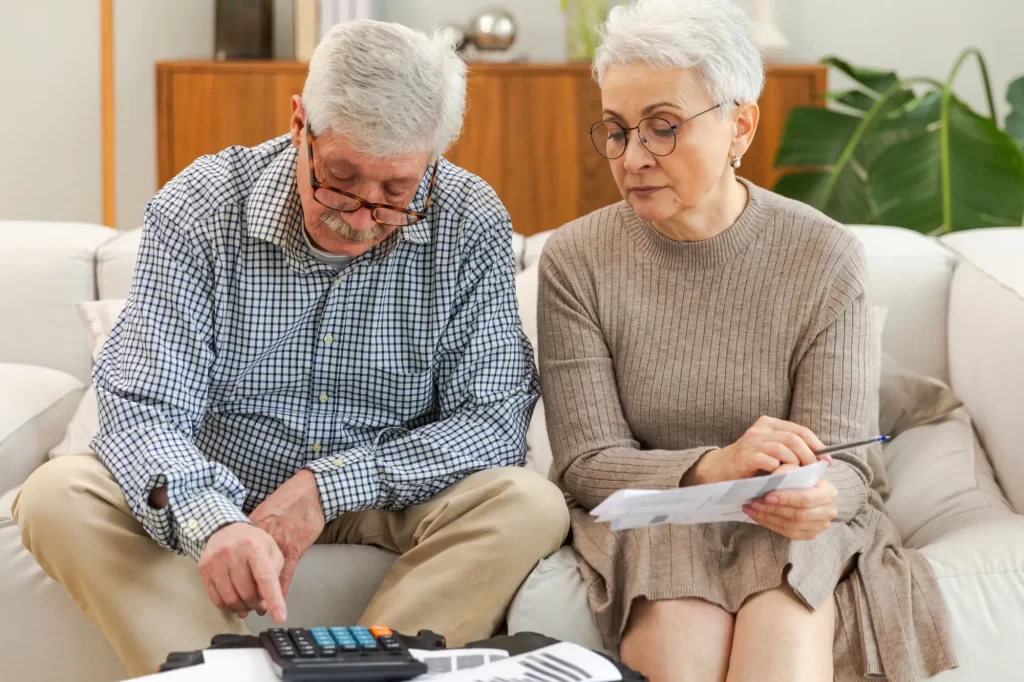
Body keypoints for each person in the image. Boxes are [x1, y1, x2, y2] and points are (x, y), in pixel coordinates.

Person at [13, 20, 569, 677]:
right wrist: (215, 522)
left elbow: (494, 424)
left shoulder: (469, 220)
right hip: (222, 486)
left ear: (434, 160)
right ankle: (232, 673)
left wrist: (327, 487)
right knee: (56, 496)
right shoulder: (200, 207)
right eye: (340, 180)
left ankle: (359, 672)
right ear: (298, 122)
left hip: (382, 500)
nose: (361, 219)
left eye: (396, 193)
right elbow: (142, 408)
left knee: (528, 503)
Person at [536, 1, 957, 681]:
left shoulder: (822, 254)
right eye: (616, 130)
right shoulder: (577, 259)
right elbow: (587, 463)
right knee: (685, 651)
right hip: (659, 521)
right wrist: (716, 466)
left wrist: (820, 498)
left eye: (663, 128)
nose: (633, 157)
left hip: (785, 528)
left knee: (781, 647)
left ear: (740, 124)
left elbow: (847, 465)